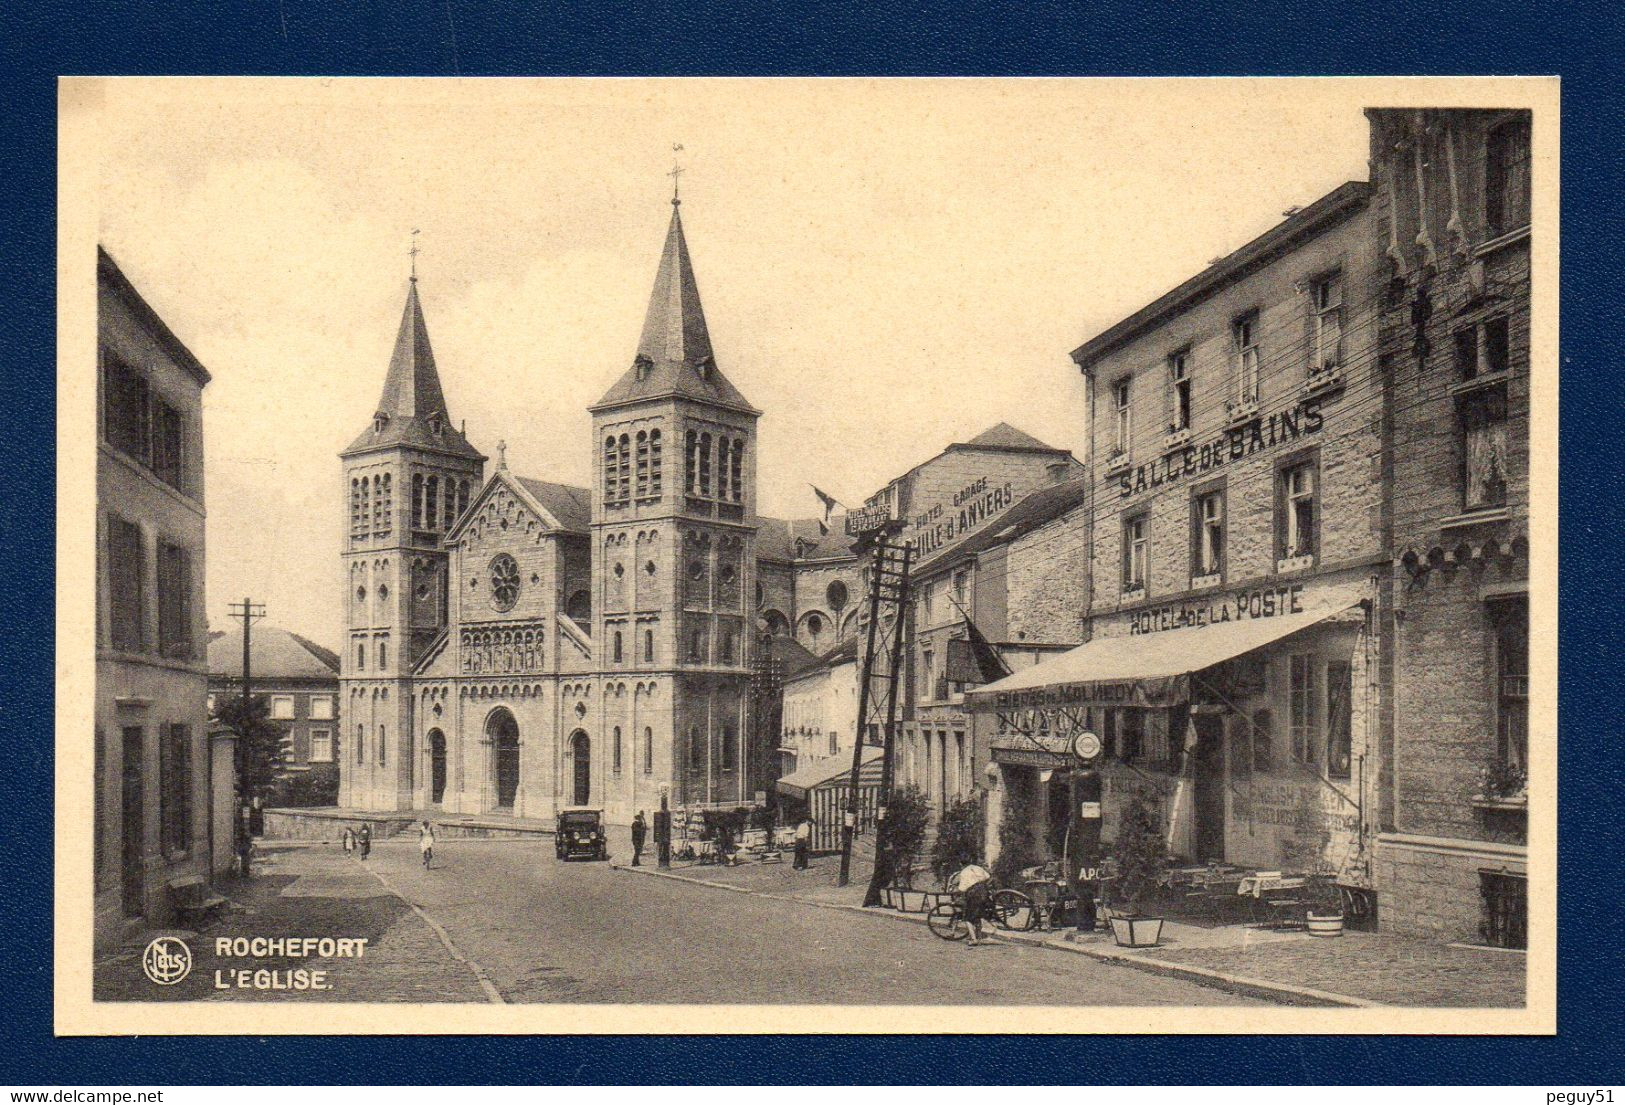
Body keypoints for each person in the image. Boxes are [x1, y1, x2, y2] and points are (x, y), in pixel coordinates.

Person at [952, 861, 994, 946]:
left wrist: (956, 891)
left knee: (968, 918)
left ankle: (973, 939)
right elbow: (988, 877)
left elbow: (962, 888)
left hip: (973, 895)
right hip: (984, 892)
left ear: (961, 864)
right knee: (978, 915)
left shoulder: (963, 872)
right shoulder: (977, 867)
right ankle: (978, 938)